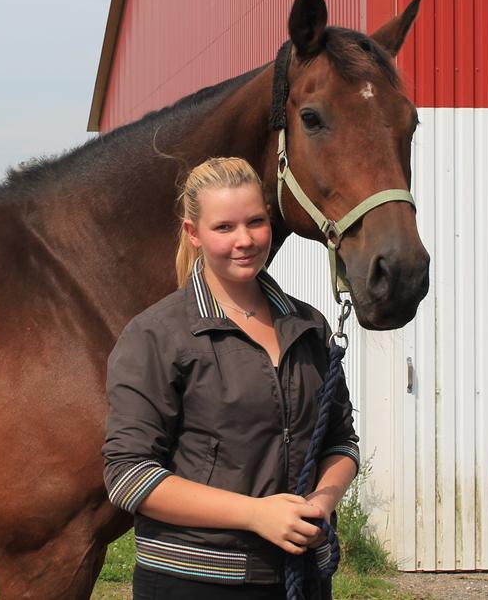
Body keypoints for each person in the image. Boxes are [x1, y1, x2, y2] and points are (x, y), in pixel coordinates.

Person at [103, 156, 359, 600]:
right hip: (195, 582)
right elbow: (128, 475)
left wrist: (322, 502)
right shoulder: (156, 335)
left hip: (302, 577)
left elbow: (339, 441)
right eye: (224, 228)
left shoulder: (309, 326)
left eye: (256, 222)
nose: (244, 240)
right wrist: (255, 515)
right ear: (193, 234)